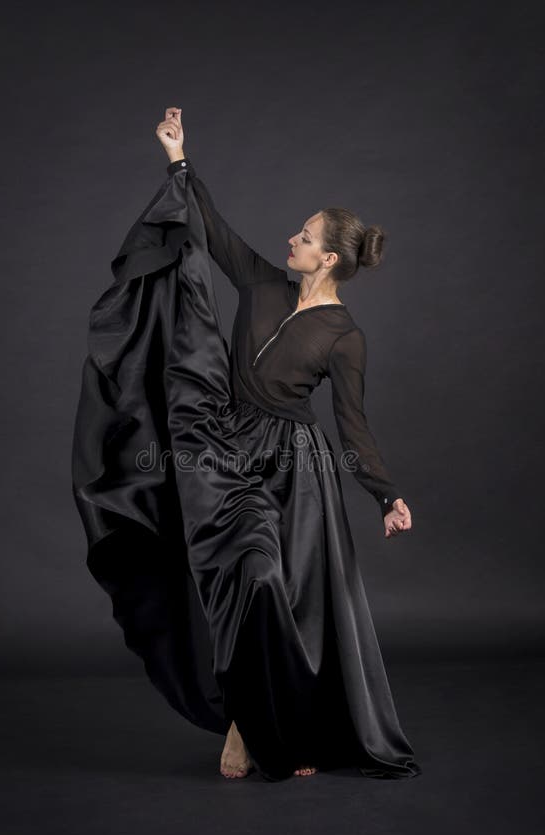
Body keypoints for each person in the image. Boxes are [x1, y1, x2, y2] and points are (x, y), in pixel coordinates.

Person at [72, 106, 421, 783]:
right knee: (245, 578)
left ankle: (262, 725)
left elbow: (352, 426)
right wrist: (177, 159)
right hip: (226, 453)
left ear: (328, 258)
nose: (292, 237)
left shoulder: (345, 337)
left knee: (286, 597)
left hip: (296, 471)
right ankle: (248, 711)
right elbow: (214, 229)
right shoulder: (263, 284)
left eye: (305, 235)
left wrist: (386, 495)